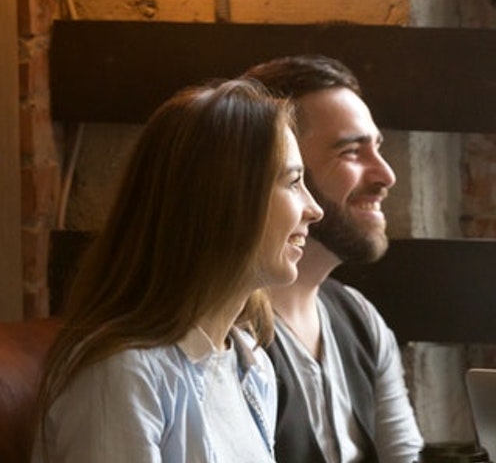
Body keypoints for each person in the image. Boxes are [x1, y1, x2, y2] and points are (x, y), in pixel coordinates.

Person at [31, 78, 323, 463]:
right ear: (223, 202)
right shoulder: (120, 377)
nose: (314, 209)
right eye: (294, 181)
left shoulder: (252, 365)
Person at [244, 55, 424, 463]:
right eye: (350, 151)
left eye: (377, 147)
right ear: (282, 168)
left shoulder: (359, 317)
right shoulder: (223, 330)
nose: (386, 175)